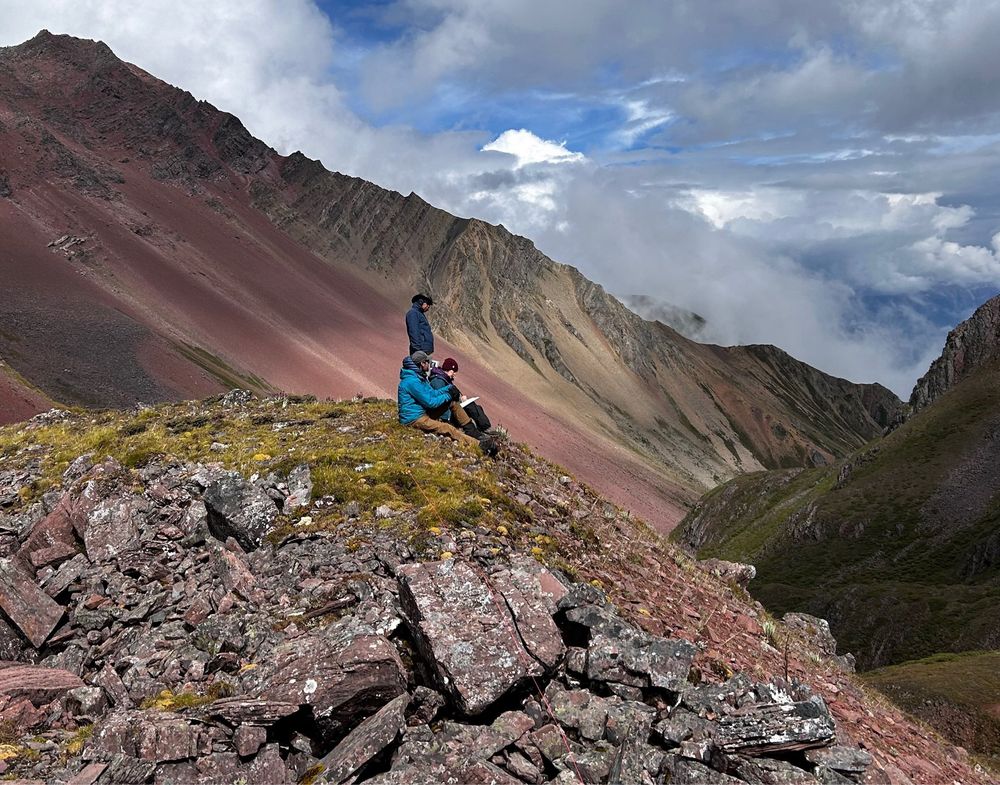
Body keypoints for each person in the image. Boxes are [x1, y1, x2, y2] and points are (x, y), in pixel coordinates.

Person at [398, 351, 497, 455]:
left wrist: (448, 388)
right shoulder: (412, 381)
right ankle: (479, 445)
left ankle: (471, 430)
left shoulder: (418, 377)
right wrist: (448, 395)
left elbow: (432, 393)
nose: (429, 364)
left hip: (421, 413)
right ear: (422, 363)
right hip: (414, 419)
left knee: (452, 402)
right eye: (427, 362)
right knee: (447, 428)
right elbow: (430, 402)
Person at [429, 357, 493, 434]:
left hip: (450, 409)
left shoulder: (443, 380)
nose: (454, 375)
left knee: (477, 407)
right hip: (446, 413)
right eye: (454, 372)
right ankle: (485, 428)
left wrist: (461, 399)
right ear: (451, 371)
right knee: (471, 406)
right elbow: (441, 399)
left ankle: (483, 427)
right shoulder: (438, 381)